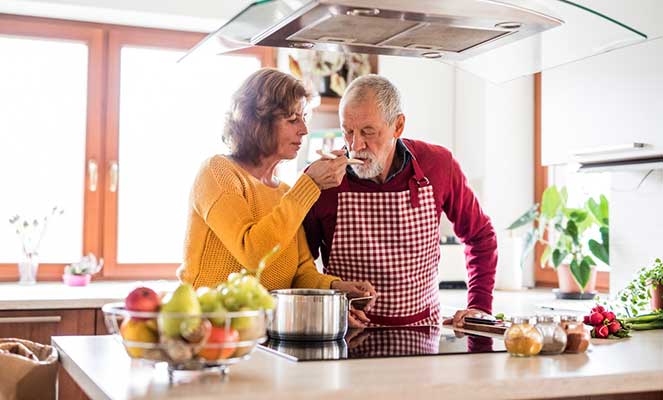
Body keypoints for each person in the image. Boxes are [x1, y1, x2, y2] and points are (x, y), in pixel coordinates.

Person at [304, 74, 498, 328]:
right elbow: (300, 265)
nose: (355, 145)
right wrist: (329, 305)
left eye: (368, 132)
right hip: (345, 337)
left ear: (398, 126)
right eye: (347, 131)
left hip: (422, 334)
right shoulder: (323, 181)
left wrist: (479, 306)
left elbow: (481, 235)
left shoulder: (438, 164)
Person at [177, 68, 376, 305]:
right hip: (211, 328)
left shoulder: (284, 192)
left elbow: (302, 274)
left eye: (304, 118)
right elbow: (253, 253)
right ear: (257, 122)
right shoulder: (217, 172)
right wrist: (310, 184)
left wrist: (337, 288)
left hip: (266, 328)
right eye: (292, 119)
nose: (303, 129)